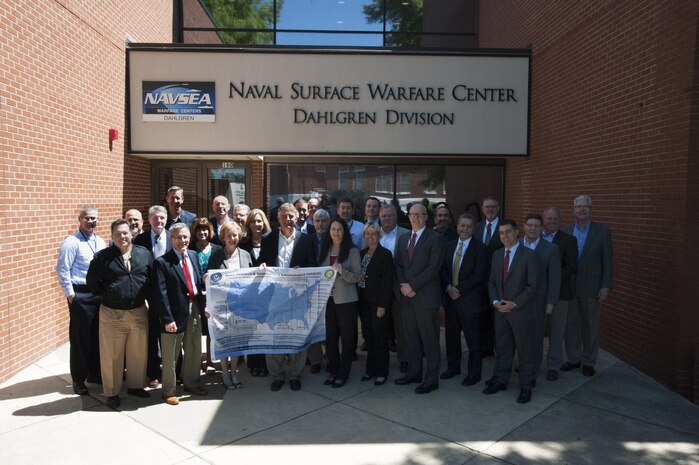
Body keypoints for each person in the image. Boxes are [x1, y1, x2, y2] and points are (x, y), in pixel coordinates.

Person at [86, 219, 153, 408]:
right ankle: (112, 391)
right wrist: (109, 293)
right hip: (112, 313)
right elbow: (92, 282)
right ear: (112, 236)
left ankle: (135, 386)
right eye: (118, 234)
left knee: (138, 352)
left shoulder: (144, 254)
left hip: (138, 311)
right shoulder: (103, 257)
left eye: (125, 233)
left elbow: (150, 278)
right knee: (112, 355)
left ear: (131, 234)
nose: (122, 237)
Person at [260, 203, 317, 392]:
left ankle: (295, 374)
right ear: (278, 218)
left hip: (298, 295)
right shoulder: (268, 239)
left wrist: (303, 272)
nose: (288, 220)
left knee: (297, 334)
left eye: (291, 216)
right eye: (284, 216)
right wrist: (262, 267)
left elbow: (313, 265)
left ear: (297, 217)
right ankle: (277, 375)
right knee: (273, 334)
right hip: (274, 295)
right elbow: (261, 262)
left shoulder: (307, 240)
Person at [484, 219, 538, 404]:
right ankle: (501, 381)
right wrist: (495, 302)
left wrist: (514, 304)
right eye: (501, 233)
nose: (504, 236)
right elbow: (491, 282)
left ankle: (526, 386)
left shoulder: (529, 255)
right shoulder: (497, 255)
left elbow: (533, 286)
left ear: (516, 232)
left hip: (520, 312)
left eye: (508, 232)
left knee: (525, 351)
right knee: (502, 349)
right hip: (500, 312)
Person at [152, 223, 207, 405]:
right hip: (173, 315)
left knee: (193, 349)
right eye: (178, 237)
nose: (182, 240)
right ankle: (168, 391)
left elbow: (195, 282)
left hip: (194, 309)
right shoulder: (162, 262)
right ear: (171, 238)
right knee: (171, 355)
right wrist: (167, 318)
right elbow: (161, 294)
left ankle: (191, 383)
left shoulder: (192, 255)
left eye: (185, 237)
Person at [394, 203, 445, 394]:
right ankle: (414, 373)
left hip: (426, 298)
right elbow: (398, 264)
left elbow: (433, 268)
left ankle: (431, 380)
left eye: (420, 214)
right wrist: (403, 286)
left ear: (426, 217)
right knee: (411, 339)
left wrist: (412, 286)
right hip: (407, 298)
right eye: (413, 214)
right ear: (408, 216)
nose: (416, 217)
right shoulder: (403, 238)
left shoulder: (435, 238)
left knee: (430, 340)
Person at [56, 206, 107, 395]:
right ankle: (78, 379)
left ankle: (93, 373)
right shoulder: (71, 242)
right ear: (79, 219)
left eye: (94, 218)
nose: (91, 222)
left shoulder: (100, 241)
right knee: (80, 339)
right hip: (81, 295)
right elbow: (62, 269)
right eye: (87, 218)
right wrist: (71, 295)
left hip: (98, 294)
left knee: (95, 337)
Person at [560, 195, 613, 377]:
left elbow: (608, 261)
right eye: (578, 207)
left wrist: (605, 286)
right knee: (571, 324)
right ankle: (573, 358)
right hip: (570, 286)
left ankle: (588, 361)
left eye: (585, 207)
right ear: (573, 209)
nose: (582, 210)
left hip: (592, 285)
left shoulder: (602, 231)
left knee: (590, 325)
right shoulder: (565, 230)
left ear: (591, 209)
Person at [439, 213, 489, 386]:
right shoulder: (449, 246)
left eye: (468, 226)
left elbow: (479, 275)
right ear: (457, 226)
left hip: (471, 302)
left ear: (474, 229)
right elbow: (443, 270)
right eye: (462, 225)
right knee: (451, 337)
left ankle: (474, 373)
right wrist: (448, 288)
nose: (465, 229)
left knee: (473, 340)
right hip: (451, 301)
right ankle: (453, 367)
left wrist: (457, 289)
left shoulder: (481, 249)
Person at [207, 221, 253, 389]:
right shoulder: (216, 255)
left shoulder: (246, 255)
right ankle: (225, 373)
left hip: (241, 305)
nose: (232, 238)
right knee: (225, 340)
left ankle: (234, 372)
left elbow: (252, 278)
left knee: (237, 341)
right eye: (229, 236)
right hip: (222, 306)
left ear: (239, 237)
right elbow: (210, 282)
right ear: (223, 238)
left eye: (235, 235)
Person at [318, 218, 361, 388]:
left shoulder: (352, 251)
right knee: (331, 339)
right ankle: (334, 371)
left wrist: (342, 271)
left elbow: (358, 277)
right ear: (329, 232)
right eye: (333, 229)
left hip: (346, 301)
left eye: (340, 229)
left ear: (345, 231)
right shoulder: (324, 249)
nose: (336, 232)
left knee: (348, 338)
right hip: (328, 301)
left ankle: (344, 373)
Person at [133, 205, 171, 388]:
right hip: (148, 294)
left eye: (162, 218)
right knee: (151, 334)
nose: (159, 221)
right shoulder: (139, 240)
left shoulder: (174, 237)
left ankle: (173, 371)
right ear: (149, 220)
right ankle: (153, 372)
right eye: (155, 218)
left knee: (170, 332)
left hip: (170, 294)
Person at [521, 213, 561, 383]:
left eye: (536, 226)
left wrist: (551, 302)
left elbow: (554, 277)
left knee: (536, 339)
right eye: (529, 225)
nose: (532, 228)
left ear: (542, 229)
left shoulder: (551, 249)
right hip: (516, 301)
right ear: (524, 227)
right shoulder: (515, 244)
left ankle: (532, 374)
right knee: (520, 338)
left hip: (538, 301)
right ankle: (523, 365)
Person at [541, 207, 578, 381]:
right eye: (549, 219)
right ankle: (530, 361)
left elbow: (571, 266)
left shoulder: (569, 240)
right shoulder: (535, 238)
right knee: (534, 330)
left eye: (555, 219)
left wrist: (550, 278)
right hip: (537, 293)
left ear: (560, 220)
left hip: (560, 294)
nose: (552, 222)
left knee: (556, 331)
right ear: (543, 219)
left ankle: (553, 365)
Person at [358, 223, 394, 386]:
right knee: (368, 336)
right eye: (367, 234)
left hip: (378, 303)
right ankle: (370, 370)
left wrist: (382, 305)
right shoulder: (362, 253)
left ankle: (381, 372)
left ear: (379, 236)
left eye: (373, 234)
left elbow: (388, 282)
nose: (370, 237)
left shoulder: (385, 255)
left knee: (380, 337)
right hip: (363, 301)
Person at [239, 208, 273, 377]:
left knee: (265, 329)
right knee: (252, 329)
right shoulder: (242, 243)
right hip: (250, 294)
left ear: (264, 223)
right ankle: (253, 362)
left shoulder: (271, 241)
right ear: (249, 224)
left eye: (259, 221)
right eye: (253, 221)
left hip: (267, 293)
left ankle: (266, 363)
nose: (256, 224)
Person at [378, 204, 410, 372]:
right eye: (384, 216)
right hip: (378, 290)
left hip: (399, 289)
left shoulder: (406, 234)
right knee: (380, 327)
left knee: (401, 327)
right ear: (379, 218)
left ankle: (404, 358)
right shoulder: (372, 234)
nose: (387, 219)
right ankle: (380, 361)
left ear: (396, 217)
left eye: (390, 216)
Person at [190, 218, 223, 373]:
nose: (201, 233)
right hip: (195, 294)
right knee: (196, 329)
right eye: (198, 230)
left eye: (204, 229)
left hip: (212, 294)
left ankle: (210, 360)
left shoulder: (217, 249)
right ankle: (196, 362)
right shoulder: (190, 248)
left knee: (211, 328)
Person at [474, 196, 503, 357]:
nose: (490, 209)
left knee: (496, 316)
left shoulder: (504, 227)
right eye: (487, 207)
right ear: (483, 209)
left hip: (497, 279)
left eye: (493, 206)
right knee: (482, 315)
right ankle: (485, 347)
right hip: (479, 280)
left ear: (498, 208)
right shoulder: (477, 227)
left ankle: (499, 347)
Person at [306, 208, 331, 373]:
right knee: (312, 325)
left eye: (323, 221)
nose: (320, 224)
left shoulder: (335, 239)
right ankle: (315, 360)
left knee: (330, 326)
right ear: (313, 222)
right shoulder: (306, 240)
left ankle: (330, 358)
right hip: (311, 291)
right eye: (317, 221)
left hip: (331, 291)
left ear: (329, 222)